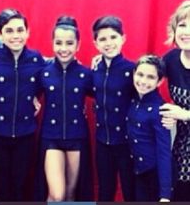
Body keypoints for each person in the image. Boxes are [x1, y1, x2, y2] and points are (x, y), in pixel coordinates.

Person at [0, 8, 45, 201]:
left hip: (25, 132)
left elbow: (50, 77)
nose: (15, 36)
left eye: (19, 30)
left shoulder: (36, 58)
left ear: (27, 32)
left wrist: (35, 96)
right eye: (9, 30)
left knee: (20, 183)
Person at [38, 16, 93, 201]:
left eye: (69, 43)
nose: (63, 48)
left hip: (77, 136)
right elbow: (22, 90)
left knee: (70, 194)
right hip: (51, 136)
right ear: (52, 43)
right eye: (59, 42)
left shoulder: (87, 74)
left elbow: (107, 95)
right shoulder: (43, 71)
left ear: (78, 45)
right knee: (56, 193)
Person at [92, 16, 135, 201]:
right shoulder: (94, 70)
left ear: (123, 38)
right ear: (95, 43)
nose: (108, 43)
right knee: (105, 191)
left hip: (128, 143)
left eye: (113, 37)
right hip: (103, 141)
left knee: (130, 191)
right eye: (102, 39)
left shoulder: (133, 70)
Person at [127, 55, 172, 201]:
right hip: (136, 169)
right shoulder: (132, 98)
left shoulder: (160, 110)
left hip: (153, 174)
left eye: (151, 77)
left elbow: (164, 151)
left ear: (160, 81)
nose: (143, 81)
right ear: (133, 74)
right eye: (140, 74)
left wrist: (165, 194)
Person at [159, 0, 190, 201]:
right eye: (182, 25)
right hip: (182, 149)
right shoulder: (170, 59)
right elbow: (144, 78)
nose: (186, 31)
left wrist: (184, 114)